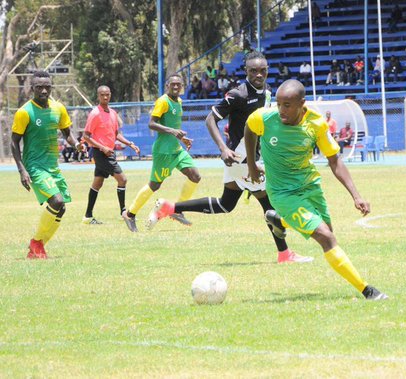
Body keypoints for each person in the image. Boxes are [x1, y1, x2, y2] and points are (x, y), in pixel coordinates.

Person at [147, 51, 312, 264]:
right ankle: (284, 254)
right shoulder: (238, 95)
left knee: (226, 204)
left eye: (262, 71)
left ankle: (170, 208)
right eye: (253, 71)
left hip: (251, 157)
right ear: (246, 71)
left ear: (267, 71)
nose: (258, 75)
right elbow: (210, 119)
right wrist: (223, 148)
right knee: (270, 204)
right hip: (239, 157)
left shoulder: (270, 92)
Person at [244, 79, 388, 300]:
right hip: (282, 193)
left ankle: (279, 221)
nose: (281, 110)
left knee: (329, 232)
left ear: (302, 104)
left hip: (310, 185)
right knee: (326, 238)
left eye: (287, 105)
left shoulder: (317, 124)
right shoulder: (264, 117)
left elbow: (335, 160)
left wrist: (356, 195)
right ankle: (367, 290)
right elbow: (249, 128)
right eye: (279, 103)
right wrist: (252, 164)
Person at [11, 70, 84, 259]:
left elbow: (67, 133)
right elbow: (14, 142)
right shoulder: (24, 112)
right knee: (57, 201)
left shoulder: (58, 108)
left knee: (62, 207)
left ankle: (38, 248)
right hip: (34, 166)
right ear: (32, 89)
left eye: (47, 87)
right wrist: (22, 170)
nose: (44, 90)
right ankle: (36, 243)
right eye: (39, 87)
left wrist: (77, 144)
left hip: (53, 166)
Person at [121, 74, 200, 232]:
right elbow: (151, 124)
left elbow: (173, 126)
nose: (176, 87)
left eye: (179, 84)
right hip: (163, 151)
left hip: (176, 150)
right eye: (173, 84)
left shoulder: (179, 101)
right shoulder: (163, 101)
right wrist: (173, 131)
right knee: (155, 185)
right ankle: (130, 214)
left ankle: (177, 210)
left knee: (195, 176)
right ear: (167, 86)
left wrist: (182, 139)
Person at [81, 85, 140, 225]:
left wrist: (130, 143)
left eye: (107, 94)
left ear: (110, 95)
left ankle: (87, 217)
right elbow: (86, 135)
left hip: (108, 152)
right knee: (123, 179)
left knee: (97, 183)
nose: (105, 97)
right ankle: (124, 212)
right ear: (98, 96)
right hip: (100, 153)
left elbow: (116, 134)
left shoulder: (113, 113)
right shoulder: (95, 113)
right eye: (102, 95)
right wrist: (102, 147)